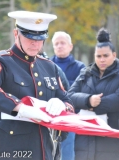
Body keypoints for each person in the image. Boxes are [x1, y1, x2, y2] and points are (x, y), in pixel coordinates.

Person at [0, 10, 74, 160]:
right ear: (16, 34)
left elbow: (68, 103)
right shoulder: (2, 61)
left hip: (42, 148)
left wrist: (62, 105)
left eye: (40, 38)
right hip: (9, 146)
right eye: (29, 37)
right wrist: (20, 107)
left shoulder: (49, 67)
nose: (35, 43)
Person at [67, 28, 119, 160]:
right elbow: (70, 96)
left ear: (114, 55)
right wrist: (88, 100)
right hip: (84, 139)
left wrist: (93, 106)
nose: (102, 59)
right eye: (98, 56)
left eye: (106, 56)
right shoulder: (85, 73)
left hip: (112, 140)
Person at [50, 31, 86, 160]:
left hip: (70, 117)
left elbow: (80, 91)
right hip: (49, 117)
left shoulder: (80, 67)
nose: (59, 46)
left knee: (67, 153)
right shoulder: (46, 65)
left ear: (70, 46)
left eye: (63, 43)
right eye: (56, 43)